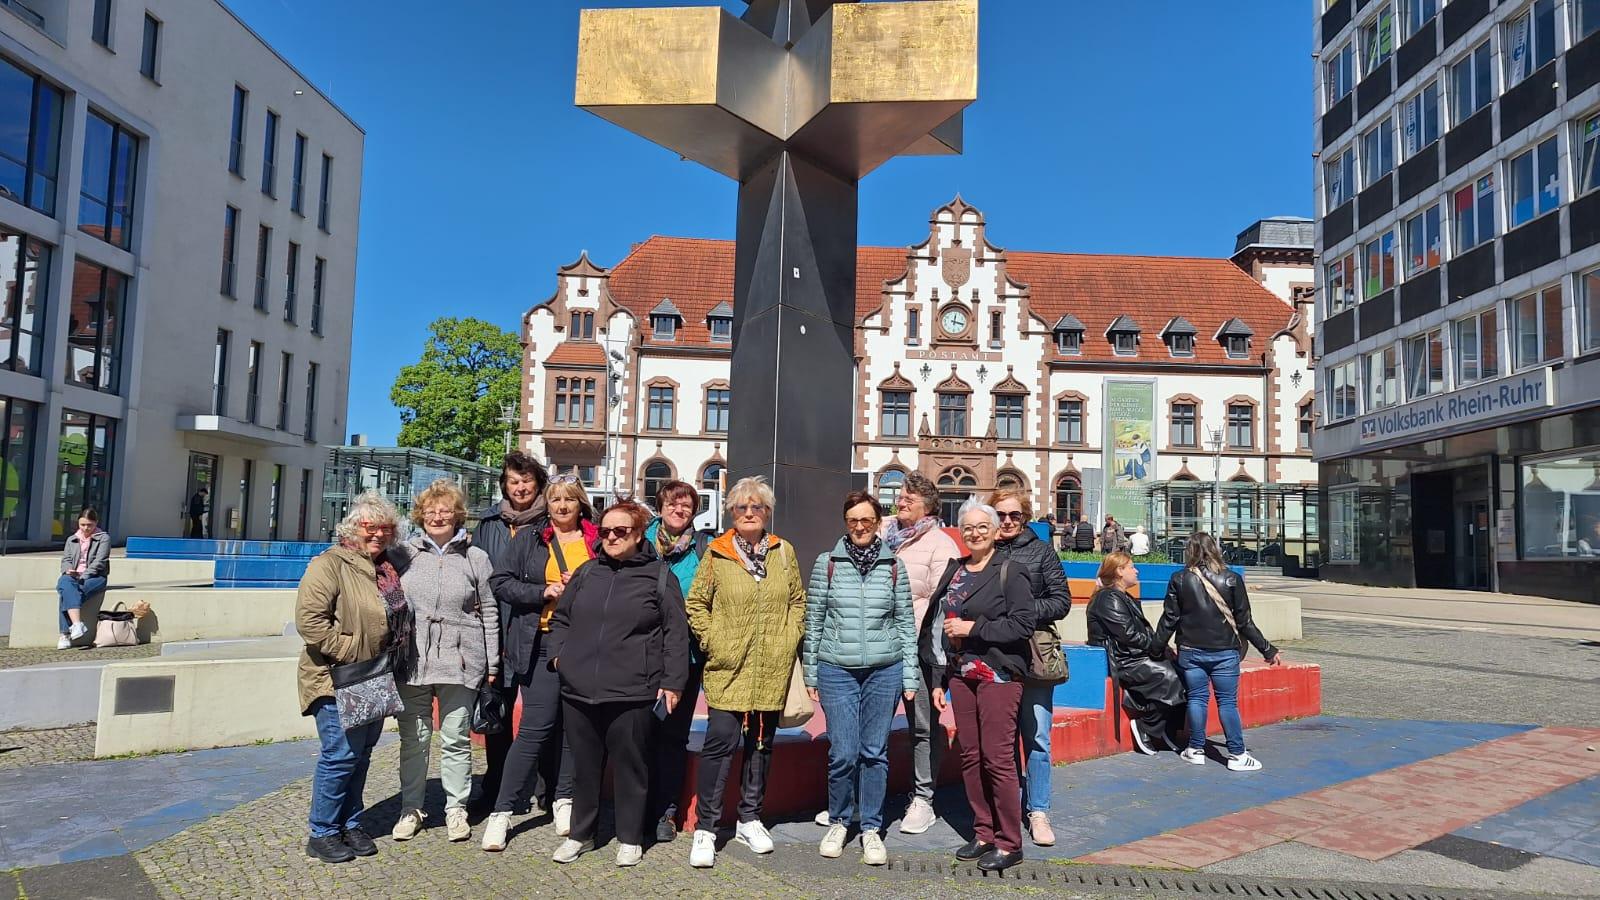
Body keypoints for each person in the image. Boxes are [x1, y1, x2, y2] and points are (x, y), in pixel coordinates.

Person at [547, 499, 690, 867]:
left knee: (632, 767)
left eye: (620, 531)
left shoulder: (660, 576)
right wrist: (559, 657)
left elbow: (676, 634)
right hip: (579, 690)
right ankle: (581, 834)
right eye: (606, 531)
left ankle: (629, 837)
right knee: (584, 768)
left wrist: (673, 682)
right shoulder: (586, 573)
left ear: (638, 533)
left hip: (633, 691)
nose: (610, 537)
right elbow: (561, 620)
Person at [685, 476, 806, 870]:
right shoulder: (717, 554)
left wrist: (789, 639)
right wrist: (713, 641)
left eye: (757, 507)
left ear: (768, 512)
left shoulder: (783, 552)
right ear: (731, 512)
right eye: (742, 507)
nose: (750, 513)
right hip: (728, 667)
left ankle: (749, 818)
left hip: (771, 667)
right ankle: (706, 826)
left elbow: (797, 602)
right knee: (720, 743)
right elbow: (697, 603)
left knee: (760, 745)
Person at [481, 476, 597, 852]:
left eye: (569, 499)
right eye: (555, 499)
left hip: (587, 647)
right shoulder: (530, 539)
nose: (562, 506)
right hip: (542, 643)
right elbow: (499, 581)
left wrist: (583, 585)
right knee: (535, 728)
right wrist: (542, 591)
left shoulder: (597, 540)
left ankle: (563, 798)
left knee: (571, 728)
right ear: (547, 504)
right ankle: (502, 811)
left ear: (581, 503)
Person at [803, 490, 917, 866]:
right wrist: (811, 672)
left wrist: (910, 676)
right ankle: (838, 820)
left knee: (874, 753)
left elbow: (904, 623)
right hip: (837, 668)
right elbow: (814, 620)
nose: (860, 527)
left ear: (877, 521)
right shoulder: (827, 563)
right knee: (843, 753)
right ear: (845, 523)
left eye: (867, 519)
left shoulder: (894, 566)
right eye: (853, 520)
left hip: (884, 670)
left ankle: (870, 827)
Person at [924, 500, 1035, 874]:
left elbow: (1022, 625)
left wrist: (975, 629)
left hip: (998, 674)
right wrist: (939, 679)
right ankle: (984, 831)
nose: (974, 533)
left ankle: (1009, 841)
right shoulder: (956, 570)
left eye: (981, 526)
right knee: (971, 756)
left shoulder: (1011, 571)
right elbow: (940, 625)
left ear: (994, 530)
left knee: (998, 758)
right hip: (960, 674)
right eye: (967, 527)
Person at [389, 480, 499, 844]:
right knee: (415, 739)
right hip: (414, 658)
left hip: (462, 658)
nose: (438, 516)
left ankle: (456, 809)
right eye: (431, 510)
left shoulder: (476, 557)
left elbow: (490, 612)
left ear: (457, 515)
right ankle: (411, 808)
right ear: (421, 515)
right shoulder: (403, 553)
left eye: (445, 510)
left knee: (455, 739)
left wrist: (493, 663)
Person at [295, 492, 400, 864]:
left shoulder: (386, 566)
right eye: (369, 526)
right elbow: (310, 622)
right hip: (335, 676)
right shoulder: (329, 564)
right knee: (340, 755)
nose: (377, 534)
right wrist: (351, 650)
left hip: (373, 676)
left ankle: (351, 823)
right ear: (352, 528)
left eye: (385, 528)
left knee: (362, 755)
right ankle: (322, 831)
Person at [1154, 533, 1282, 772]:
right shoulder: (1232, 579)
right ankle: (1237, 754)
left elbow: (1170, 619)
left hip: (1191, 651)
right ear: (1215, 549)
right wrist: (1267, 649)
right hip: (1225, 652)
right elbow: (1245, 622)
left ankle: (1195, 749)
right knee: (1227, 702)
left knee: (1197, 698)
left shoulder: (1179, 579)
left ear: (1189, 551)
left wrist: (1155, 646)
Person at [988, 488, 1072, 848]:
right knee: (1001, 739)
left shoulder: (1041, 551)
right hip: (995, 657)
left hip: (1034, 657)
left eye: (1014, 516)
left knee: (1037, 737)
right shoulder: (984, 551)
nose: (1007, 522)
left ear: (1024, 517)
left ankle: (1038, 810)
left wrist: (1021, 613)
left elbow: (1061, 600)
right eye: (1001, 516)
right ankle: (1004, 808)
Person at [879, 472, 960, 836]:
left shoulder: (941, 544)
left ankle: (923, 799)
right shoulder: (883, 534)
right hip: (879, 644)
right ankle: (864, 797)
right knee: (873, 722)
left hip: (918, 648)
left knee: (923, 725)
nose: (901, 502)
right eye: (900, 496)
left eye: (909, 498)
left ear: (928, 505)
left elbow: (941, 603)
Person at [470, 451, 549, 815]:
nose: (520, 487)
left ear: (538, 483)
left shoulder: (553, 520)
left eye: (527, 480)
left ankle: (546, 788)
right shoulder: (488, 523)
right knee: (496, 713)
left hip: (537, 630)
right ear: (505, 484)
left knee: (542, 712)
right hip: (495, 629)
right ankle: (497, 786)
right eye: (514, 481)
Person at [643, 480, 711, 844]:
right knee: (636, 733)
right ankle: (636, 804)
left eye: (686, 505)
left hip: (684, 658)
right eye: (672, 503)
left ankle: (665, 810)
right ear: (660, 506)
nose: (679, 509)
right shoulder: (639, 542)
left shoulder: (704, 549)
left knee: (672, 735)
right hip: (637, 655)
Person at [1087, 552, 1185, 755]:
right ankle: (1146, 724)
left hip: (1133, 655)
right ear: (1119, 571)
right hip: (1123, 660)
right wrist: (1157, 647)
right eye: (1132, 567)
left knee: (1186, 673)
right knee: (1170, 678)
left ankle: (1165, 729)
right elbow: (1129, 635)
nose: (1136, 570)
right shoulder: (1108, 598)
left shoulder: (1123, 596)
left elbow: (1140, 633)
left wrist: (1163, 649)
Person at [57, 509, 111, 649]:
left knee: (67, 594)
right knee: (64, 582)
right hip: (73, 576)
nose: (86, 528)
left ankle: (64, 635)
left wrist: (83, 575)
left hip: (95, 577)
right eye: (83, 525)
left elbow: (100, 561)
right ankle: (77, 625)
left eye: (90, 525)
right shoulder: (72, 539)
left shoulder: (103, 538)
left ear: (96, 523)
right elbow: (66, 560)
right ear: (78, 523)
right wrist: (68, 570)